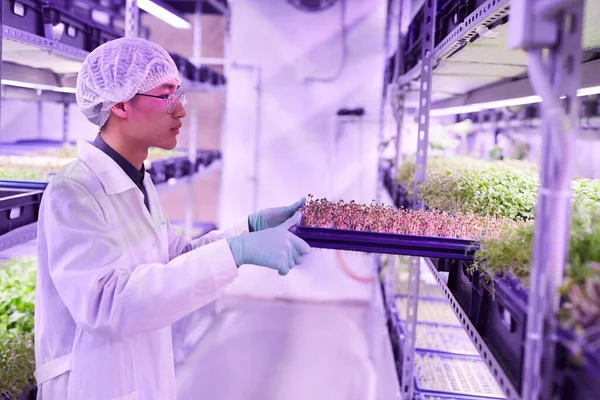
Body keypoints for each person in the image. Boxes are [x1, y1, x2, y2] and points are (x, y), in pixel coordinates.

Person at [33, 37, 311, 400]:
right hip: (91, 384)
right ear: (119, 103)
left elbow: (173, 258)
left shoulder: (138, 179)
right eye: (166, 96)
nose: (180, 111)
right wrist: (236, 252)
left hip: (140, 378)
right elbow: (106, 305)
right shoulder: (73, 193)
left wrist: (247, 230)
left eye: (179, 95)